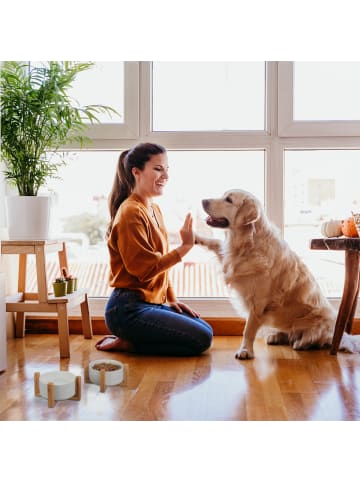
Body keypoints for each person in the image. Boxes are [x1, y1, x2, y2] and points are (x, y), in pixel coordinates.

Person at [95, 142, 213, 355]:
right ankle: (129, 342)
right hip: (126, 309)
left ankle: (133, 339)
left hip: (150, 302)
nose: (165, 175)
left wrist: (171, 298)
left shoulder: (154, 209)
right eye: (158, 169)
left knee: (206, 330)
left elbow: (160, 267)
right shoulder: (130, 212)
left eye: (167, 169)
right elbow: (144, 270)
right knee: (201, 339)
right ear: (136, 172)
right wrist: (185, 247)